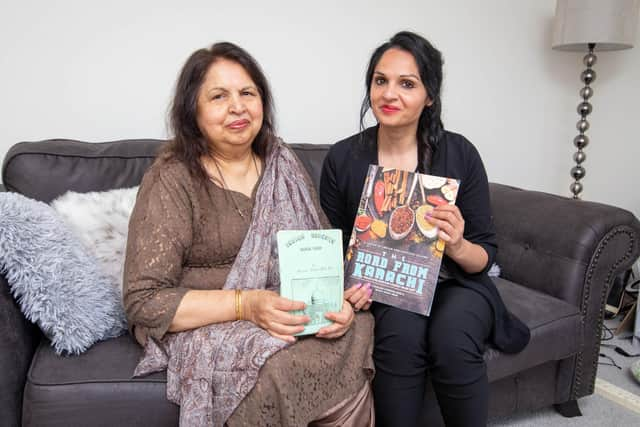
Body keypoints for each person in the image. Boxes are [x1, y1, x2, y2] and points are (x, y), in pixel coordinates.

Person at [123, 42, 374, 427]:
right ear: (193, 110)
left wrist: (338, 300)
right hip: (210, 322)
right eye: (219, 96)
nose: (237, 107)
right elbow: (145, 301)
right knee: (277, 363)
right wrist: (246, 305)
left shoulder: (283, 162)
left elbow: (321, 254)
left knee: (350, 331)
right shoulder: (172, 178)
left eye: (247, 93)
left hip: (289, 311)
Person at [320, 31, 530, 427]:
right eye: (380, 80)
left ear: (430, 96)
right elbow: (332, 243)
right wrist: (347, 285)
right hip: (388, 288)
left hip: (457, 283)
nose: (389, 93)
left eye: (407, 83)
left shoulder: (460, 153)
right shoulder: (343, 158)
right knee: (399, 338)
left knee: (451, 340)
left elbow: (484, 257)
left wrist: (457, 243)